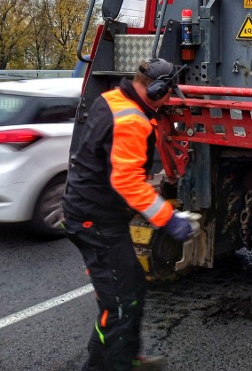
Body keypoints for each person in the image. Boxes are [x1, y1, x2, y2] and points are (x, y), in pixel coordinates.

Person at [62, 58, 193, 371]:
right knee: (120, 304)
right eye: (169, 92)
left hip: (93, 213)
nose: (169, 99)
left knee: (131, 287)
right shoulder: (132, 120)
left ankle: (129, 358)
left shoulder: (112, 100)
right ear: (158, 90)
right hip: (96, 220)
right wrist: (168, 217)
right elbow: (125, 181)